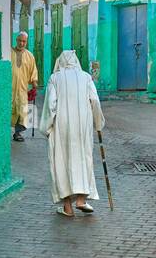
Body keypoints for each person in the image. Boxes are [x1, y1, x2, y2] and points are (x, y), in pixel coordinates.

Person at [40, 50, 105, 217]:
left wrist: (47, 128)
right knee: (84, 159)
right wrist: (98, 123)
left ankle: (67, 207)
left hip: (61, 126)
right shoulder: (86, 77)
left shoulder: (55, 78)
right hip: (82, 126)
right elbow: (95, 100)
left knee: (61, 162)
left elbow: (50, 105)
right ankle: (82, 199)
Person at [11, 32, 38, 142]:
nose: (21, 43)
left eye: (24, 41)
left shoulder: (30, 56)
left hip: (22, 88)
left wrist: (34, 82)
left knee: (22, 110)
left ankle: (18, 133)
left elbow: (33, 70)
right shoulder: (9, 53)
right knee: (9, 108)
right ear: (16, 40)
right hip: (10, 87)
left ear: (26, 42)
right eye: (20, 40)